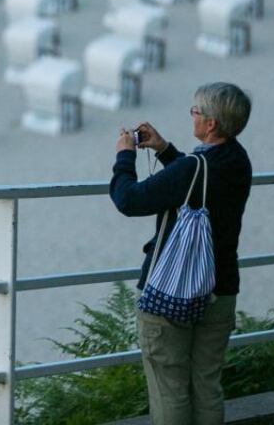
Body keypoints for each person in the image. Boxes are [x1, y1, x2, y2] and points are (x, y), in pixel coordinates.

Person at [110, 82, 253, 425]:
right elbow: (197, 184)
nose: (192, 116)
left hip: (173, 292)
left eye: (195, 112)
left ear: (211, 124)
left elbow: (129, 199)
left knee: (170, 387)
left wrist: (124, 156)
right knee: (206, 384)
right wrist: (162, 149)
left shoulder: (193, 167)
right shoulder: (238, 160)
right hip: (221, 289)